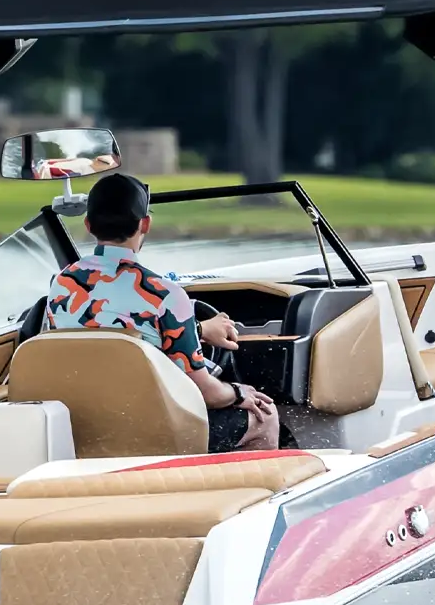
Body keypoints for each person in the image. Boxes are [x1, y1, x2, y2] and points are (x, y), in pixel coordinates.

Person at [46, 171, 279, 452]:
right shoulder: (166, 295)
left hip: (83, 429)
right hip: (151, 435)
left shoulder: (61, 284)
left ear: (87, 224)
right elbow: (205, 393)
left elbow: (115, 334)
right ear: (145, 224)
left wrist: (200, 330)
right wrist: (240, 392)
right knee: (265, 416)